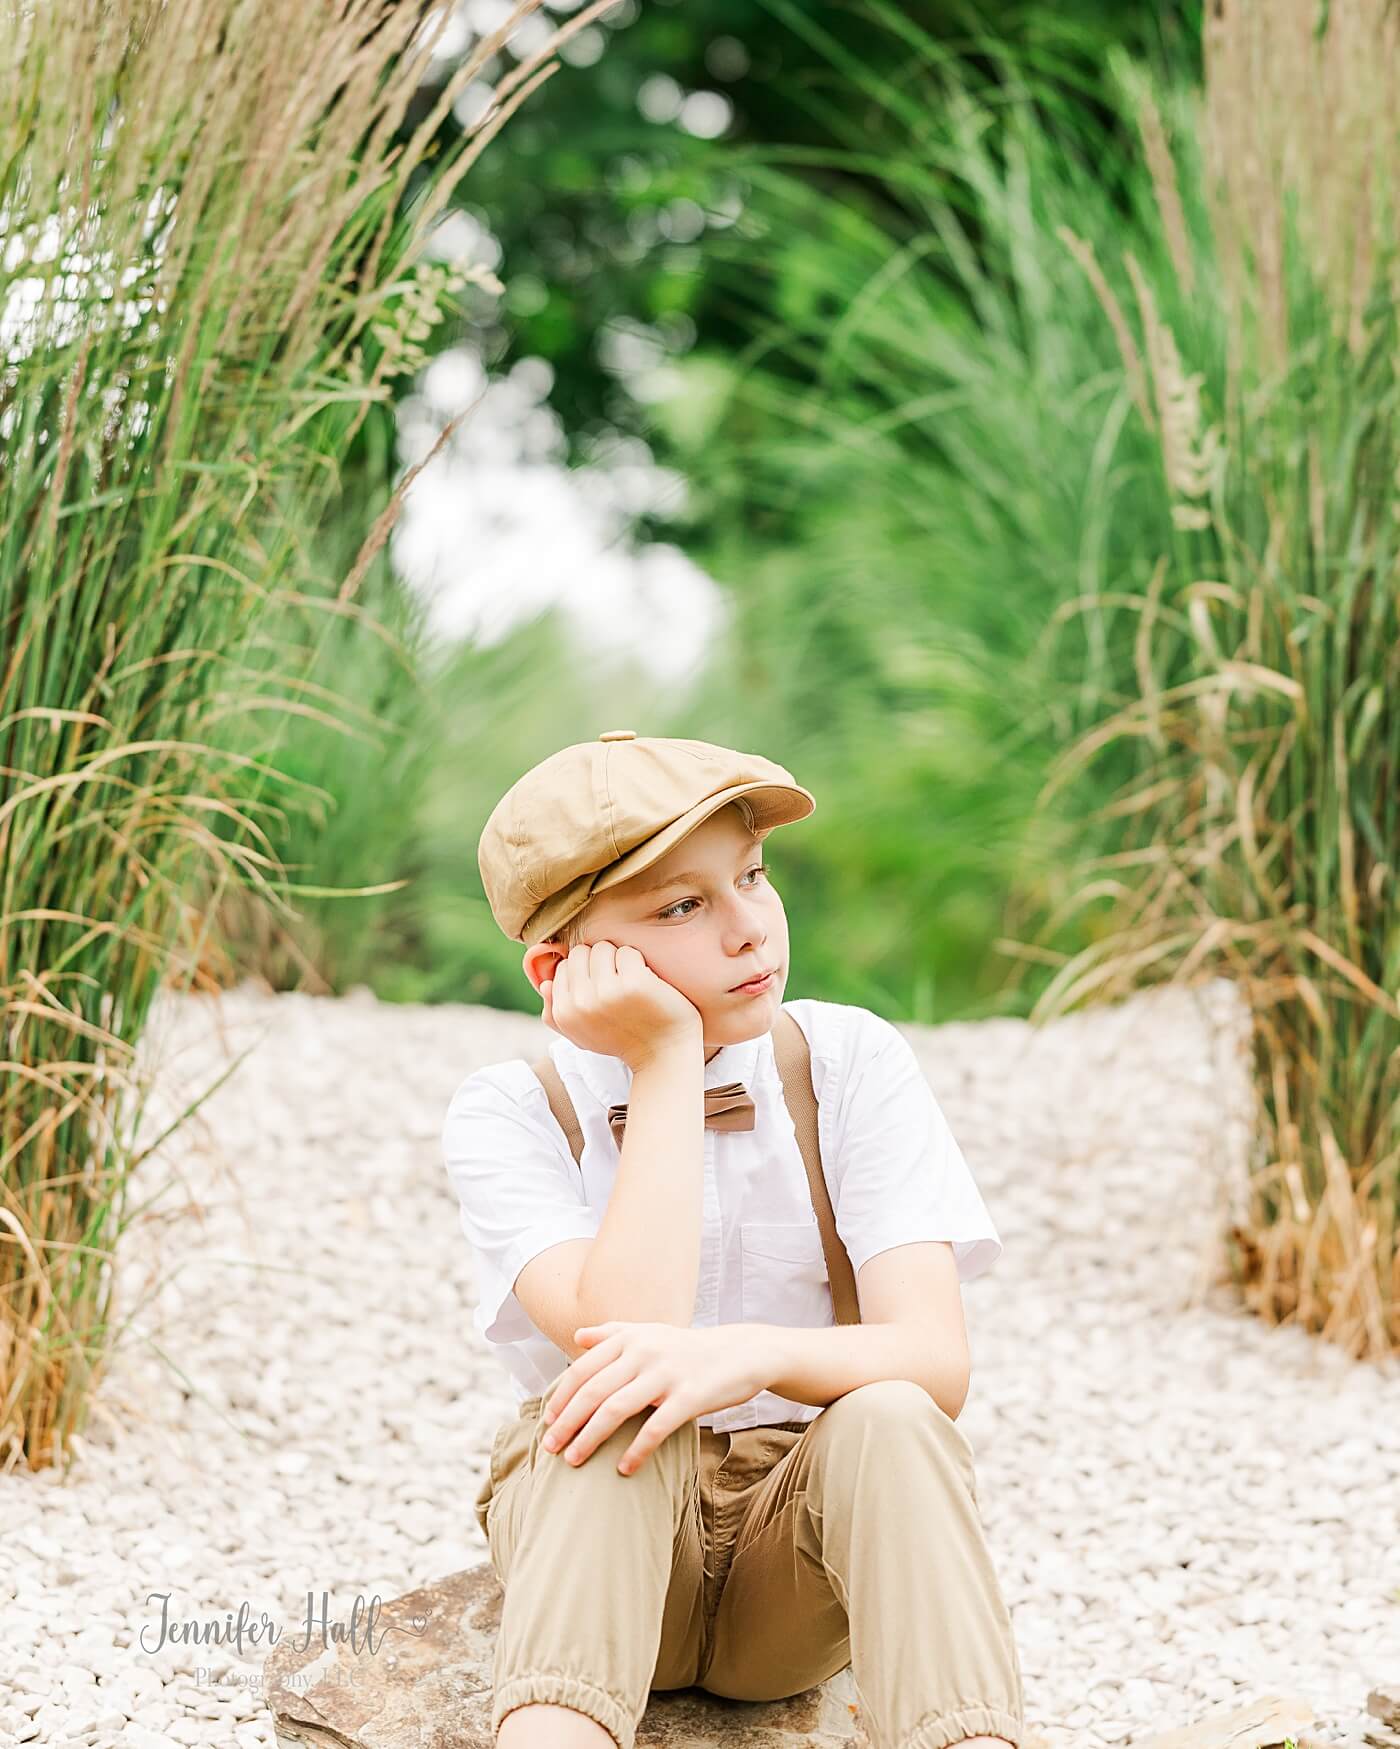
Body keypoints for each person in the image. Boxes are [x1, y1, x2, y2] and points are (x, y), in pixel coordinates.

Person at [441, 729, 1025, 1749]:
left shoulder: (846, 1061)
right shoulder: (512, 1111)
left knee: (891, 1415)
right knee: (619, 1391)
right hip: (604, 1540)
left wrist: (745, 1354)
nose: (749, 929)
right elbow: (616, 1332)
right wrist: (664, 1060)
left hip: (791, 1554)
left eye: (752, 877)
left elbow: (934, 1362)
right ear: (563, 966)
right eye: (682, 905)